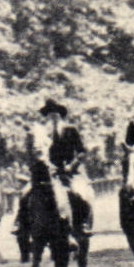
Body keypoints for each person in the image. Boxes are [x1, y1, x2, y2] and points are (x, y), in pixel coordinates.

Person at [30, 98, 92, 234]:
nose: (52, 117)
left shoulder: (70, 130)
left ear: (60, 114)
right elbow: (35, 152)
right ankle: (22, 224)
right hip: (47, 172)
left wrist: (72, 166)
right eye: (49, 114)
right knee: (28, 193)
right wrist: (44, 163)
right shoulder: (41, 134)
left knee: (79, 193)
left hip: (69, 171)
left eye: (55, 113)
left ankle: (82, 224)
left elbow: (82, 151)